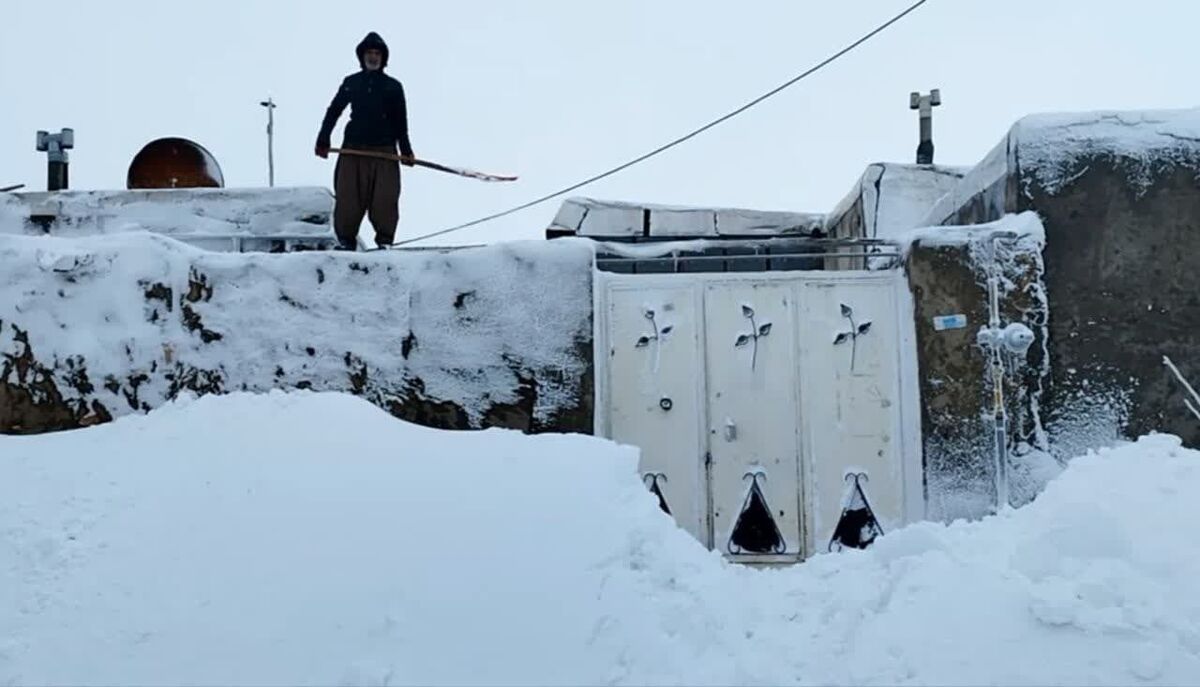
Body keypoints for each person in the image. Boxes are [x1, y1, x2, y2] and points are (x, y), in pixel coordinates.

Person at [315, 31, 415, 250]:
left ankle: (385, 244)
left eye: (377, 53)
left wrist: (406, 150)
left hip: (384, 153)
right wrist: (323, 138)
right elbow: (334, 111)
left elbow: (401, 122)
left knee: (385, 200)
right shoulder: (352, 82)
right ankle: (346, 242)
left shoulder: (393, 87)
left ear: (383, 58)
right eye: (369, 53)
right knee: (349, 199)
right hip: (353, 151)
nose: (373, 57)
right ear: (362, 56)